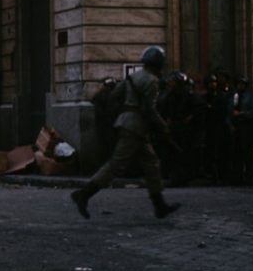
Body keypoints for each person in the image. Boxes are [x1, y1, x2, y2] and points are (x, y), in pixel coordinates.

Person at [70, 46, 181, 220]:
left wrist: (125, 112)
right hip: (136, 127)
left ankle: (160, 205)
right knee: (116, 164)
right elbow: (150, 110)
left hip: (127, 123)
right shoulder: (151, 81)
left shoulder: (132, 77)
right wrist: (163, 126)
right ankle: (84, 194)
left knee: (151, 164)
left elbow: (114, 96)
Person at [228, 76, 253, 186]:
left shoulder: (251, 98)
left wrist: (242, 114)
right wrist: (231, 125)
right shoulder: (234, 97)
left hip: (246, 128)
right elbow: (228, 113)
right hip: (236, 128)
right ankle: (238, 177)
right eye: (238, 84)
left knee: (247, 153)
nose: (240, 86)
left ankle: (248, 177)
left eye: (242, 84)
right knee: (237, 153)